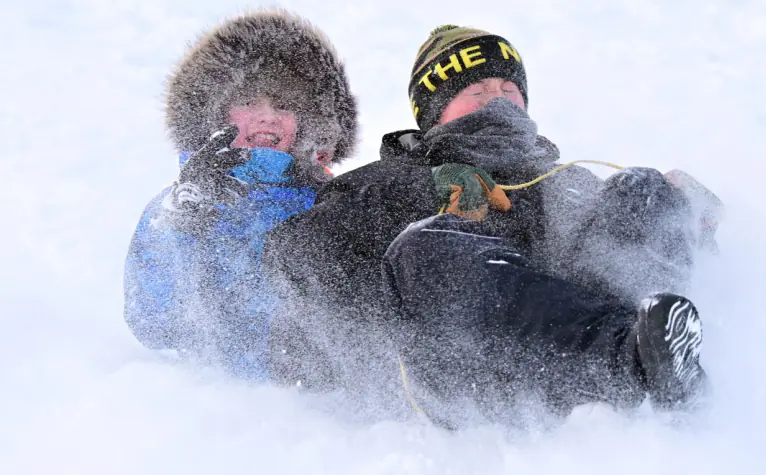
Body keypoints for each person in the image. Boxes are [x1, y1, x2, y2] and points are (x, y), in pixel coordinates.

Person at [263, 25, 723, 427]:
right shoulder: (387, 182)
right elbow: (298, 254)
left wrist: (688, 215)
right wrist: (435, 219)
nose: (497, 99)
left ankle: (658, 360)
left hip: (573, 357)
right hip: (456, 372)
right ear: (435, 112)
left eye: (508, 88)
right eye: (477, 92)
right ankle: (633, 364)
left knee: (642, 186)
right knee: (428, 245)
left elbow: (654, 245)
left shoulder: (570, 184)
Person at [123, 8, 358, 381]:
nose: (267, 117)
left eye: (284, 105)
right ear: (215, 116)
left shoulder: (335, 204)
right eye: (249, 103)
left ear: (308, 122)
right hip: (220, 414)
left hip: (316, 421)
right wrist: (184, 222)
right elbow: (153, 322)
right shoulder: (179, 207)